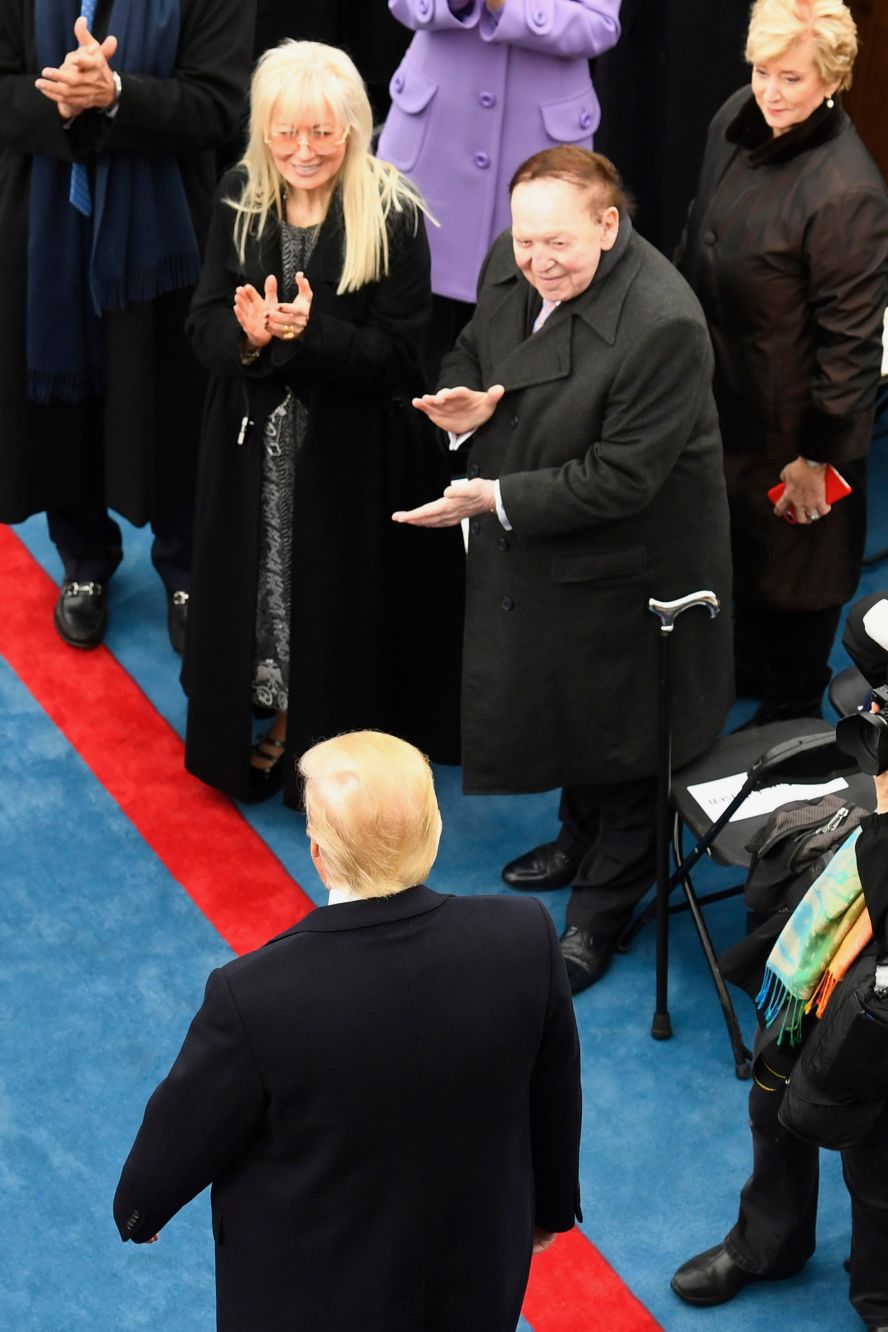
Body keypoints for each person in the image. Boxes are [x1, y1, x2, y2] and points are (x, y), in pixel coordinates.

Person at [393, 145, 734, 993]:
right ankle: (576, 838)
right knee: (571, 706)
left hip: (633, 566)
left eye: (560, 245)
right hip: (553, 541)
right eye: (526, 241)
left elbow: (623, 478)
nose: (538, 262)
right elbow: (472, 347)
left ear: (609, 226)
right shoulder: (522, 263)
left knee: (625, 743)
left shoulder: (666, 323)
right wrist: (464, 404)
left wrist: (492, 496)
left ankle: (600, 914)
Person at [114, 730, 582, 1332]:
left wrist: (139, 1211)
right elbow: (554, 1093)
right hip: (477, 1278)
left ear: (317, 851)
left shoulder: (255, 993)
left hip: (315, 1301)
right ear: (431, 831)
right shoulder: (523, 936)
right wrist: (547, 1212)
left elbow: (177, 1141)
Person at [182, 41, 464, 806]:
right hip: (251, 455)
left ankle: (317, 734)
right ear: (262, 132)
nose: (303, 151)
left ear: (353, 128)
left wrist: (312, 337)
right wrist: (247, 337)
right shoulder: (239, 193)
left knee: (334, 603)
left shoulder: (395, 210)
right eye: (286, 133)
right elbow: (202, 323)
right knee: (266, 592)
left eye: (322, 133)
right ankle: (275, 718)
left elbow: (405, 359)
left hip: (349, 460)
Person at [0, 0, 255, 653]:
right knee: (61, 403)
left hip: (168, 240)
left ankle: (188, 574)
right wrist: (59, 103)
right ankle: (83, 564)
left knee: (174, 407)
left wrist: (117, 95)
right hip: (45, 231)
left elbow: (221, 106)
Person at [676, 0, 888, 725]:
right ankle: (747, 668)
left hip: (795, 422)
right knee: (732, 552)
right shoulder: (737, 116)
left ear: (832, 78)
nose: (770, 91)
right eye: (763, 70)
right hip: (723, 396)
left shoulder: (848, 190)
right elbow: (696, 229)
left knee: (801, 563)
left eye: (791, 78)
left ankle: (794, 706)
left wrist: (816, 458)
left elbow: (852, 346)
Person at [671, 759, 888, 1329]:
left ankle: (881, 1299)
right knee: (773, 1099)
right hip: (839, 934)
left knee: (877, 1153)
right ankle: (770, 1245)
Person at [377, 0, 622, 361]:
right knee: (411, 345)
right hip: (434, 146)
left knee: (519, 347)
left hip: (540, 152)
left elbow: (600, 25)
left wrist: (509, 6)